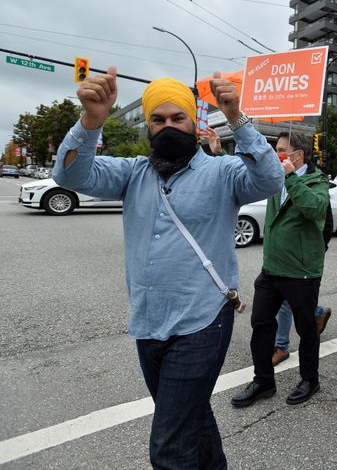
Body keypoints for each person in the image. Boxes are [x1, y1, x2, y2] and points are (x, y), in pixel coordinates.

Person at [53, 67, 284, 468]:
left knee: (169, 448)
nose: (168, 126)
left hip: (202, 322)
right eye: (158, 120)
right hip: (148, 321)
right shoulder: (132, 173)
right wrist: (92, 119)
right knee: (191, 417)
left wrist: (236, 116)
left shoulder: (223, 171)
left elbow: (269, 179)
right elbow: (70, 173)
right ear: (148, 126)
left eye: (178, 118)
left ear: (194, 123)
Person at [231, 130, 330, 408]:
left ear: (298, 155)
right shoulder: (275, 177)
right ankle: (263, 381)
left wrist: (291, 178)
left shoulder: (317, 181)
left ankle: (310, 380)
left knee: (306, 329)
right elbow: (249, 167)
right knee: (261, 323)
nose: (276, 155)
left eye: (281, 150)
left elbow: (316, 209)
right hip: (271, 269)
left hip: (301, 272)